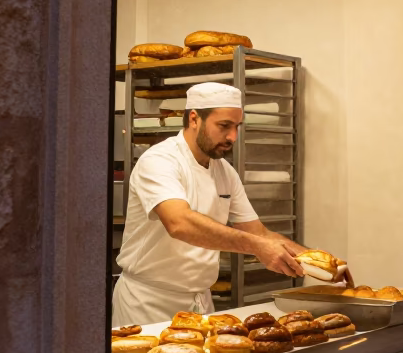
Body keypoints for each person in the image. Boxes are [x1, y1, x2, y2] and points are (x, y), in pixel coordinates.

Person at [111, 82, 307, 325]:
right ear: (194, 119)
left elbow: (259, 232)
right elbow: (179, 223)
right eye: (224, 126)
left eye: (236, 127)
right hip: (148, 303)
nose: (232, 137)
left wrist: (312, 258)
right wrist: (257, 247)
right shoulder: (160, 161)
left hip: (200, 302)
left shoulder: (224, 171)